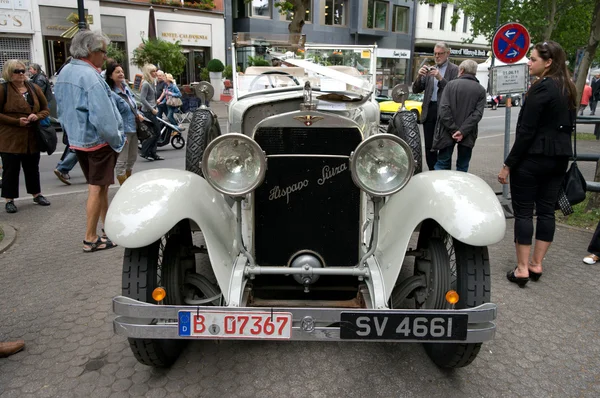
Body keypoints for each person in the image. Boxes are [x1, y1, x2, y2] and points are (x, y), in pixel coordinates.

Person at [497, 41, 577, 287]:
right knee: (545, 212)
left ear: (548, 62)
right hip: (558, 160)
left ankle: (522, 269)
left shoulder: (541, 89)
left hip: (533, 159)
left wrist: (508, 165)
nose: (528, 63)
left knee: (523, 212)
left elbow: (526, 132)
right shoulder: (569, 88)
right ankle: (536, 264)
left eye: (533, 59)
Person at [54, 30, 125, 253]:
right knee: (97, 188)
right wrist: (116, 139)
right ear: (91, 51)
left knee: (100, 186)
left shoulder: (65, 71)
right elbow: (103, 116)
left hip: (79, 140)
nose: (105, 57)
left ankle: (106, 229)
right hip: (97, 141)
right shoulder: (90, 77)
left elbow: (61, 107)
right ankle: (90, 237)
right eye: (103, 52)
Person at [0, 59, 51, 214]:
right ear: (9, 72)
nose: (21, 74)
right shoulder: (3, 89)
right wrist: (16, 122)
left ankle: (36, 194)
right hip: (11, 137)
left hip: (32, 135)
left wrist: (37, 116)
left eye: (23, 71)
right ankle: (9, 199)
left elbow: (46, 109)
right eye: (17, 71)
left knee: (32, 167)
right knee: (11, 169)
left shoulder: (33, 88)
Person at [432, 59, 486, 172]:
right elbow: (477, 114)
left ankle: (440, 188)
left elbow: (444, 110)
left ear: (461, 70)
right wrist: (462, 131)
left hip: (446, 133)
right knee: (462, 167)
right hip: (468, 134)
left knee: (442, 164)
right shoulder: (480, 90)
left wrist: (453, 130)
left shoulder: (450, 85)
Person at [412, 42, 459, 170]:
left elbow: (454, 91)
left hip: (445, 112)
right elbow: (416, 89)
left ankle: (443, 172)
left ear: (447, 53)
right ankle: (433, 171)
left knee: (444, 144)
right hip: (430, 110)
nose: (437, 57)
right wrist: (419, 76)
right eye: (435, 54)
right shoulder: (429, 69)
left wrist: (440, 78)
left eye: (440, 54)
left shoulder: (454, 70)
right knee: (429, 146)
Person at [106, 62, 143, 185]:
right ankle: (123, 186)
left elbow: (133, 104)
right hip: (124, 131)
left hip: (134, 128)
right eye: (117, 72)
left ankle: (128, 182)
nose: (121, 74)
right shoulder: (111, 93)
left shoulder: (126, 88)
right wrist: (120, 133)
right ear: (110, 76)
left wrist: (138, 113)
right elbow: (113, 115)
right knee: (122, 160)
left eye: (122, 71)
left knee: (132, 158)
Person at [139, 63, 163, 161]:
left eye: (155, 71)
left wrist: (155, 104)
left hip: (152, 110)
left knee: (155, 133)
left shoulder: (152, 83)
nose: (155, 73)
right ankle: (146, 152)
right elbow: (142, 99)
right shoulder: (146, 84)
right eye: (153, 71)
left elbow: (151, 97)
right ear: (148, 73)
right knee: (156, 133)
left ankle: (152, 153)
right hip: (148, 112)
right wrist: (152, 109)